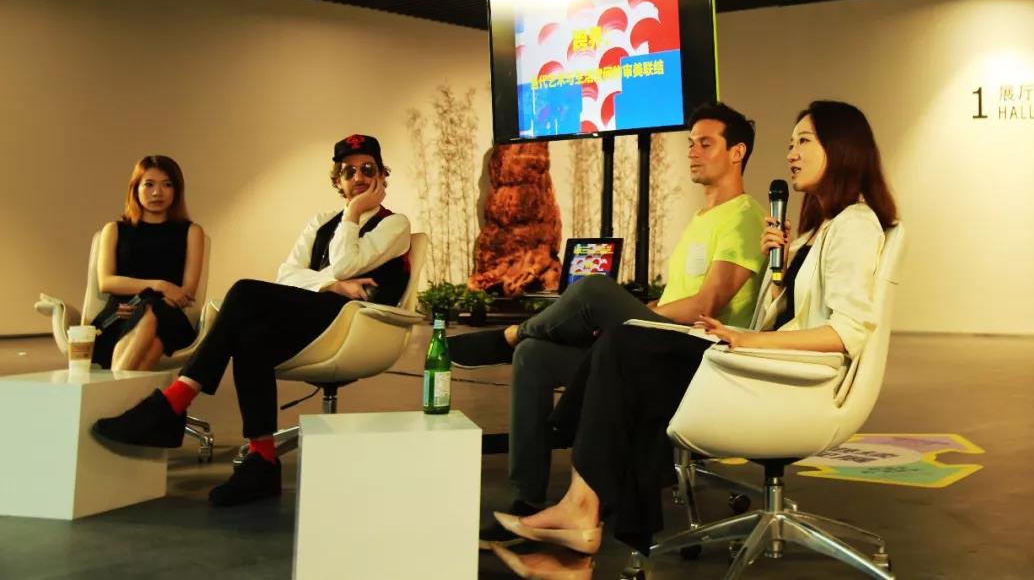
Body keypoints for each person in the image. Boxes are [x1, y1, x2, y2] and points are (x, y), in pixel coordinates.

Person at [489, 100, 899, 575]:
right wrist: (779, 275)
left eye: (804, 141)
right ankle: (580, 518)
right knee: (623, 349)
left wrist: (746, 342)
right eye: (791, 143)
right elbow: (787, 317)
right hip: (766, 361)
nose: (791, 153)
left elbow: (847, 332)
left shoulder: (854, 225)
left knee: (622, 340)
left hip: (795, 380)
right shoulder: (818, 230)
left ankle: (581, 510)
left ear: (843, 148)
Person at [455, 102, 768, 548]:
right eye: (690, 143)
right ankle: (527, 499)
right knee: (534, 357)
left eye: (705, 143)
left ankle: (507, 336)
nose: (692, 152)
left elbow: (706, 304)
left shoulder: (744, 216)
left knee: (594, 290)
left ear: (737, 153)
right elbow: (676, 298)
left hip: (695, 354)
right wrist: (634, 315)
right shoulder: (702, 218)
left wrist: (631, 315)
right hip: (662, 343)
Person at [93, 134, 411, 507]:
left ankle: (174, 402)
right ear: (338, 181)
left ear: (382, 176)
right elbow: (287, 274)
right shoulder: (321, 222)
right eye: (348, 172)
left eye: (368, 169)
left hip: (357, 323)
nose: (358, 177)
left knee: (245, 291)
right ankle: (263, 460)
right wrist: (333, 285)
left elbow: (344, 262)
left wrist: (354, 214)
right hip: (317, 317)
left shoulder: (395, 225)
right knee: (250, 335)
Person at [91, 155, 204, 371]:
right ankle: (127, 391)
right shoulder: (114, 229)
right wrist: (159, 286)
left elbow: (186, 292)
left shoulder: (192, 232)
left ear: (177, 190)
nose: (157, 192)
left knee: (151, 311)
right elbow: (106, 282)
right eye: (149, 184)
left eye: (167, 185)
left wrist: (147, 303)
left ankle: (115, 386)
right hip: (121, 312)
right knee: (153, 341)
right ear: (135, 189)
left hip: (167, 311)